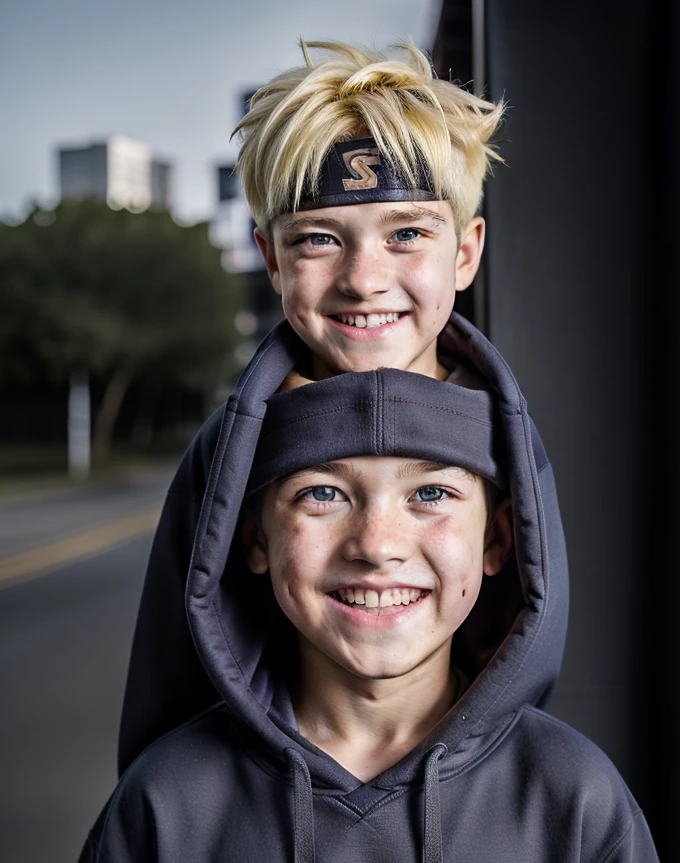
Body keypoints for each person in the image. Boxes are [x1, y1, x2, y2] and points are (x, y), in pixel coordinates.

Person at [45, 360, 680, 863]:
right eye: (322, 494)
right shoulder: (162, 804)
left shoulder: (575, 800)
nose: (377, 546)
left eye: (430, 495)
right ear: (254, 537)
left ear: (497, 539)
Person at [116, 40, 505, 772]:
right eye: (320, 239)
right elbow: (167, 684)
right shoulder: (228, 452)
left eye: (408, 234)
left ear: (465, 251)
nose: (364, 279)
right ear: (270, 257)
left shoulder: (570, 800)